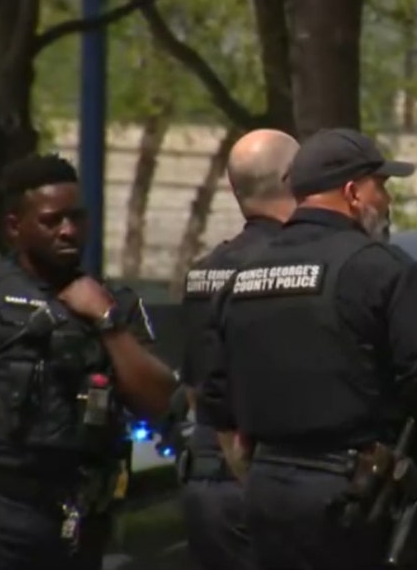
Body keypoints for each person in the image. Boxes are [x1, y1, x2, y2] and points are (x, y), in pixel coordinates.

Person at [205, 128, 417, 570]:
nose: (386, 201)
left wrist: (264, 487)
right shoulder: (382, 271)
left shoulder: (242, 278)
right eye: (380, 186)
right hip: (359, 505)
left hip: (268, 499)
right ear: (352, 192)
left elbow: (224, 418)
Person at [0, 154, 178, 570]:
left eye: (77, 218)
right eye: (52, 220)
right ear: (14, 226)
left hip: (80, 519)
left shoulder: (114, 303)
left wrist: (106, 322)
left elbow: (159, 400)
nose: (69, 231)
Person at [179, 129, 299, 570]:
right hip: (271, 475)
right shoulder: (297, 267)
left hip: (206, 476)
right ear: (293, 178)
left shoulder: (202, 272)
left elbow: (195, 385)